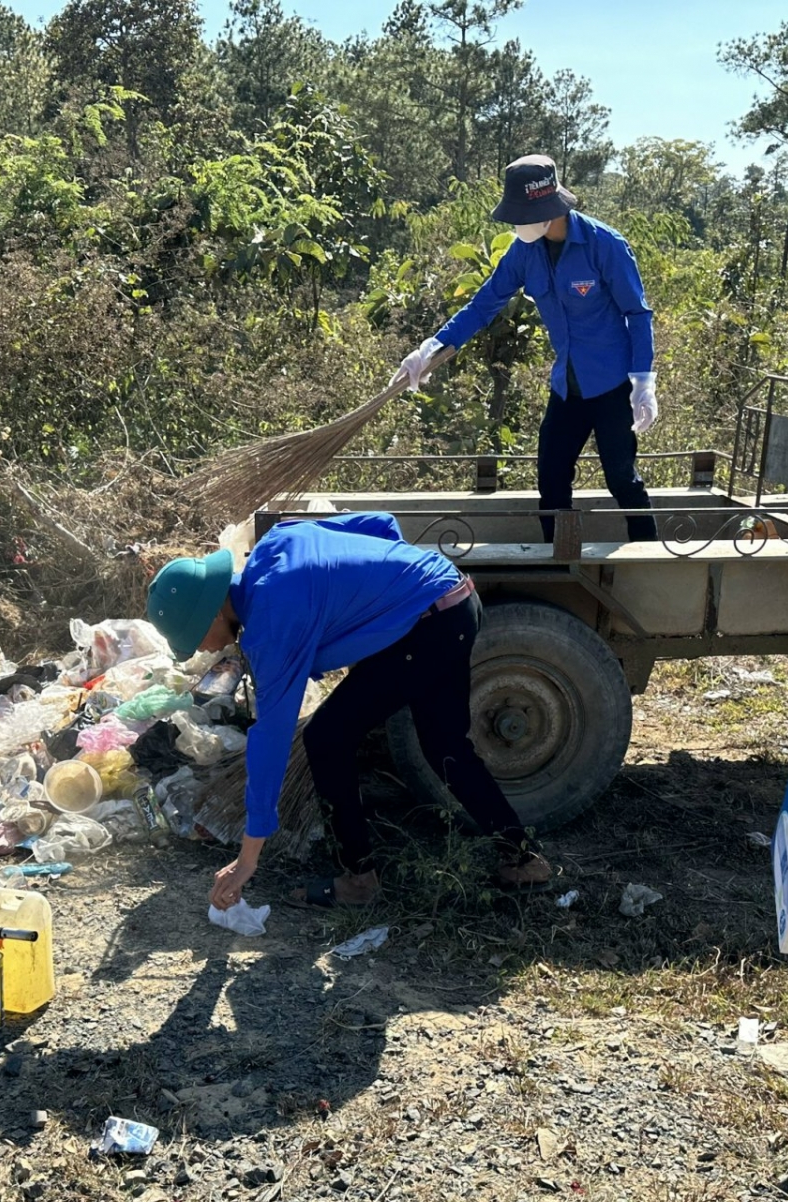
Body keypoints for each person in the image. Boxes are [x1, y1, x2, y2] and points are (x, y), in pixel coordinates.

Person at [146, 513, 552, 910]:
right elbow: (380, 524)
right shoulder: (275, 544)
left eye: (196, 638)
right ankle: (524, 859)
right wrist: (380, 602)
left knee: (326, 738)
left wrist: (248, 857)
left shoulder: (272, 625)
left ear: (215, 611)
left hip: (429, 625)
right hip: (454, 598)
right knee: (445, 747)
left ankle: (358, 880)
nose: (204, 649)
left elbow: (270, 741)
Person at [393, 154, 660, 543]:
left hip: (612, 384)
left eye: (522, 215)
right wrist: (432, 346)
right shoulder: (524, 252)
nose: (517, 224)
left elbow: (637, 314)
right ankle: (561, 557)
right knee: (551, 479)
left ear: (548, 209)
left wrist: (643, 381)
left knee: (621, 476)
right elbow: (484, 303)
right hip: (567, 386)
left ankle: (650, 556)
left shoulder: (605, 246)